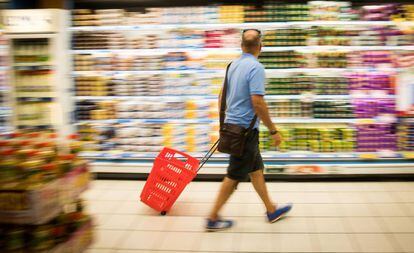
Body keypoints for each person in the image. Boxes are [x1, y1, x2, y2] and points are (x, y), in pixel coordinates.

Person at [205, 29, 292, 232]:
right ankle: (212, 217)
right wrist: (273, 131)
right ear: (260, 47)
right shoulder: (256, 67)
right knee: (234, 175)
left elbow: (221, 96)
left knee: (255, 169)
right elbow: (258, 102)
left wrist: (226, 123)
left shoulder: (232, 65)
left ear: (242, 46)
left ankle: (271, 210)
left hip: (235, 127)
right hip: (244, 131)